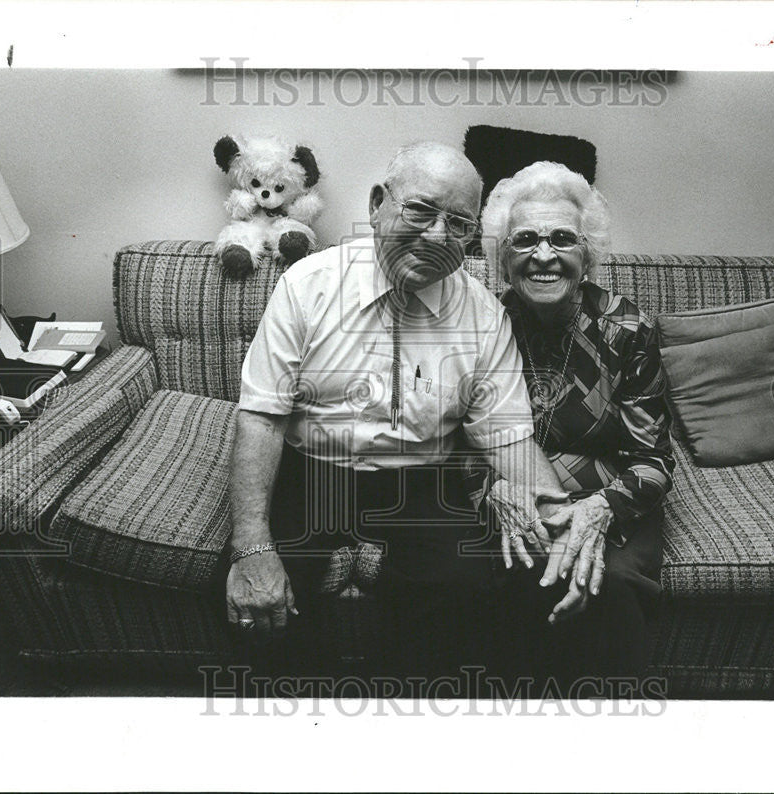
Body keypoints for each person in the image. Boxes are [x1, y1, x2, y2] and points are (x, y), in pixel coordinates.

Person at [225, 142, 572, 680]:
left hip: (422, 481)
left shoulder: (483, 313)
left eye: (458, 223)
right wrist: (250, 547)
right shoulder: (306, 285)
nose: (436, 236)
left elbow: (507, 436)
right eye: (420, 210)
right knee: (258, 604)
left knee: (467, 588)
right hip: (309, 471)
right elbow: (262, 417)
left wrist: (561, 522)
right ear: (377, 204)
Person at [478, 160, 676, 682]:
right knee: (497, 583)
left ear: (586, 254)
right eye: (525, 240)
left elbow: (653, 463)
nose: (544, 256)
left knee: (607, 588)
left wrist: (596, 512)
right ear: (503, 257)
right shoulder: (485, 328)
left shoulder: (627, 330)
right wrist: (494, 490)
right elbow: (460, 442)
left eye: (562, 238)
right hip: (521, 496)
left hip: (610, 498)